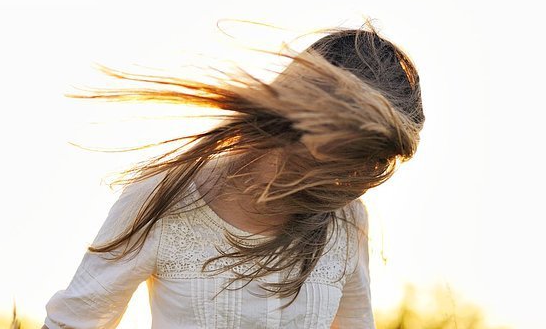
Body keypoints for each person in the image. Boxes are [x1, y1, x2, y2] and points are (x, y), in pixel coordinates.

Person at [42, 21, 425, 328]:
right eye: (362, 157)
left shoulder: (346, 218)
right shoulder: (161, 196)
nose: (364, 178)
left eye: (379, 163)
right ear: (317, 126)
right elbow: (73, 322)